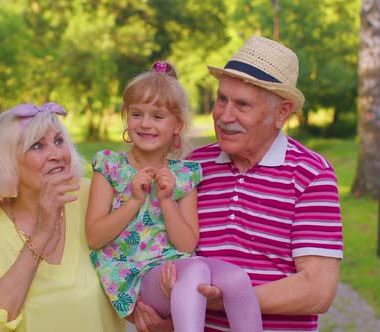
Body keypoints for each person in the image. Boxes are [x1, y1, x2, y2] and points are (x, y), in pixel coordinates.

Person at [136, 36, 344, 331]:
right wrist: (166, 320)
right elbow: (168, 257)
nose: (224, 116)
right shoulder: (193, 168)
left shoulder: (311, 175)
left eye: (242, 105)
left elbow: (317, 290)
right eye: (222, 99)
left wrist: (229, 298)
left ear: (282, 112)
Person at [85, 61, 263, 332]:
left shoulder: (183, 175)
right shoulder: (110, 167)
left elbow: (187, 243)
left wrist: (166, 200)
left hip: (174, 265)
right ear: (126, 116)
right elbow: (94, 237)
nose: (145, 124)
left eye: (157, 116)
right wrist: (134, 201)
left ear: (177, 124)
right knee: (194, 271)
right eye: (136, 114)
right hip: (131, 274)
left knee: (236, 278)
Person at [0, 102, 125, 332]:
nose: (56, 154)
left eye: (59, 141)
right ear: (8, 162)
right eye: (38, 146)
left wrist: (151, 306)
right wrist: (42, 232)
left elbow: (145, 250)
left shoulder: (94, 196)